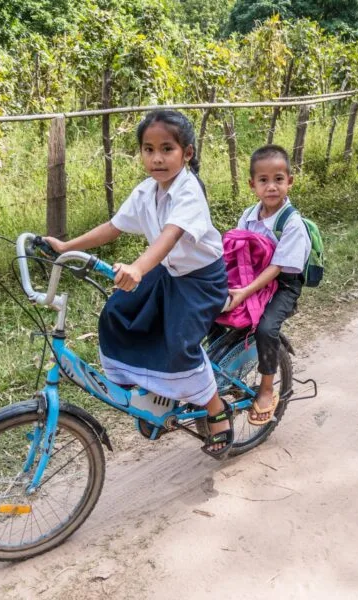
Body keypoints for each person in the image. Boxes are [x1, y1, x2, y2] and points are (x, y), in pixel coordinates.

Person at [44, 110, 233, 458]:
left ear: (186, 153)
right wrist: (66, 246)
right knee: (118, 313)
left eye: (166, 149)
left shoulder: (188, 191)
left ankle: (215, 410)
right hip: (165, 272)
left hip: (199, 280)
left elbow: (169, 237)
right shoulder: (147, 191)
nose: (157, 158)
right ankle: (151, 391)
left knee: (180, 343)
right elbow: (114, 226)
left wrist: (139, 268)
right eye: (148, 149)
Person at [224, 145, 311, 426]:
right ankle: (221, 372)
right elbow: (238, 253)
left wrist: (244, 293)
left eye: (278, 179)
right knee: (215, 313)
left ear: (290, 181)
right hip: (251, 281)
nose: (271, 186)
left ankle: (266, 387)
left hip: (283, 284)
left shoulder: (292, 223)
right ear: (252, 185)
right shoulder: (249, 216)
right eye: (263, 180)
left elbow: (277, 267)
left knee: (266, 328)